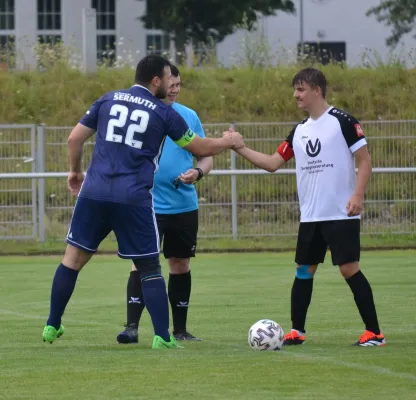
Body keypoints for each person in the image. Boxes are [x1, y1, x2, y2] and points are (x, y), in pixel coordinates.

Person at [41, 55, 243, 349]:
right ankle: (162, 336)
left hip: (94, 192)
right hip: (133, 197)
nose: (172, 85)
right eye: (168, 78)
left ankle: (52, 324)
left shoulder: (107, 100)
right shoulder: (163, 112)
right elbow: (199, 147)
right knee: (149, 268)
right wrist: (230, 141)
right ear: (156, 81)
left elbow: (74, 139)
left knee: (72, 260)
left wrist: (75, 172)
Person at [228, 67, 385, 347]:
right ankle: (296, 331)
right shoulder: (299, 131)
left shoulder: (343, 121)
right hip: (311, 216)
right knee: (303, 270)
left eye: (300, 89)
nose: (295, 95)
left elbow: (364, 161)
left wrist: (358, 195)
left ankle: (374, 333)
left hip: (340, 212)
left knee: (349, 269)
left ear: (317, 90)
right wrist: (239, 147)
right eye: (295, 89)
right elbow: (272, 163)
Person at [116, 65, 212, 344]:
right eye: (171, 83)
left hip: (183, 206)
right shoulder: (141, 113)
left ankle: (179, 330)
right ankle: (131, 327)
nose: (175, 89)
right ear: (157, 82)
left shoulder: (189, 116)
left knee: (180, 265)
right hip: (146, 206)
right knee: (141, 265)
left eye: (179, 84)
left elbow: (206, 155)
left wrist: (198, 172)